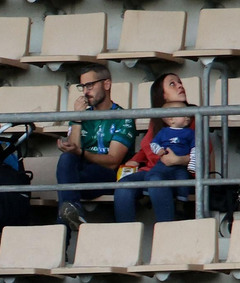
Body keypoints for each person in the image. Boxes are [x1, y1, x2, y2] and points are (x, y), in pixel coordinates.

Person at [55, 65, 133, 228]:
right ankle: (73, 211)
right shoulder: (81, 115)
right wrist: (77, 118)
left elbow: (113, 161)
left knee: (66, 188)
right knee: (66, 158)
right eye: (82, 87)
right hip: (80, 175)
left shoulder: (123, 117)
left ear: (106, 84)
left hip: (107, 175)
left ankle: (64, 232)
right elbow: (72, 149)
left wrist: (81, 153)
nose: (85, 91)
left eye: (90, 85)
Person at [114, 74, 197, 224]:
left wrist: (180, 160)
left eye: (180, 82)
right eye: (172, 84)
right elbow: (146, 148)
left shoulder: (192, 117)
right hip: (154, 170)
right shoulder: (157, 118)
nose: (180, 86)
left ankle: (166, 237)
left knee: (156, 182)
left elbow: (203, 153)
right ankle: (125, 241)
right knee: (123, 186)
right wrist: (134, 161)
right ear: (162, 96)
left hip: (181, 174)